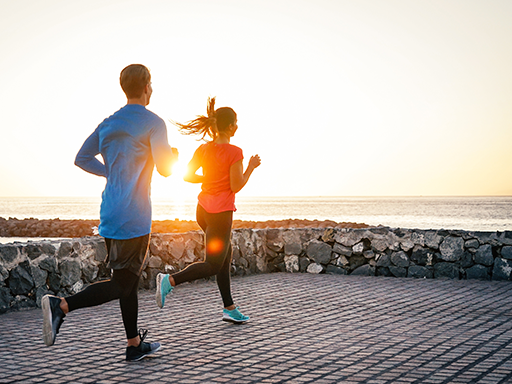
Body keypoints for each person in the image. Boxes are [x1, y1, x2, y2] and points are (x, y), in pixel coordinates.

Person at [41, 64, 178, 362]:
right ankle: (61, 306)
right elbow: (167, 169)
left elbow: (81, 158)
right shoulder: (153, 122)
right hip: (135, 214)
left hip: (110, 212)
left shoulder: (109, 122)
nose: (152, 89)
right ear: (145, 86)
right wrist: (174, 155)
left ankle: (133, 345)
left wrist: (110, 174)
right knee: (124, 283)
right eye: (151, 84)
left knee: (125, 280)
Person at [155, 97, 261, 323]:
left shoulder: (203, 149)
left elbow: (187, 175)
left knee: (225, 256)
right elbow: (235, 186)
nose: (237, 126)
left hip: (202, 211)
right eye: (236, 122)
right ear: (231, 126)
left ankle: (229, 308)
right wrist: (251, 168)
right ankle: (169, 281)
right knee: (213, 263)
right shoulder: (235, 152)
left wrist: (209, 177)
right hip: (221, 213)